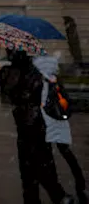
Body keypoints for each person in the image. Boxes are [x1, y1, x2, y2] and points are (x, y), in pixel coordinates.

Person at [0, 49, 73, 204]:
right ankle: (57, 196)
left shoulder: (13, 74)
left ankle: (49, 197)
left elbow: (9, 94)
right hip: (38, 123)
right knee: (43, 164)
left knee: (30, 169)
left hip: (25, 126)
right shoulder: (35, 72)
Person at [35, 55, 87, 203]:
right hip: (60, 122)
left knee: (48, 158)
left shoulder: (42, 83)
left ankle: (58, 189)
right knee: (66, 153)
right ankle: (80, 182)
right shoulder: (55, 81)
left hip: (47, 124)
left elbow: (40, 103)